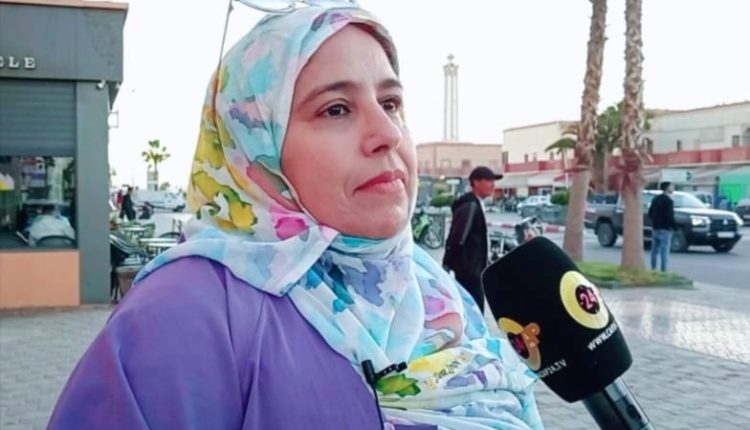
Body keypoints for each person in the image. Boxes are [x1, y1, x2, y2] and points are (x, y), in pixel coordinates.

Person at [48, 6, 543, 430]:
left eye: (391, 102)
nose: (387, 133)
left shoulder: (436, 294)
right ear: (255, 149)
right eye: (336, 109)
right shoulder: (181, 317)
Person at [442, 166, 502, 313]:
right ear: (475, 182)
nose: (493, 185)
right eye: (488, 180)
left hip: (474, 268)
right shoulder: (470, 205)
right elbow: (458, 237)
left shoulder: (476, 203)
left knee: (473, 309)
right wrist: (447, 263)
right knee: (474, 310)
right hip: (469, 270)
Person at [648, 181, 676, 272]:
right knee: (664, 250)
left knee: (654, 250)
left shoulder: (655, 199)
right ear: (667, 188)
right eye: (671, 186)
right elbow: (669, 216)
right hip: (665, 229)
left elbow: (650, 213)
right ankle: (663, 270)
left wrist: (655, 221)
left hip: (656, 227)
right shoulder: (669, 201)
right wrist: (673, 226)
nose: (673, 188)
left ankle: (653, 268)